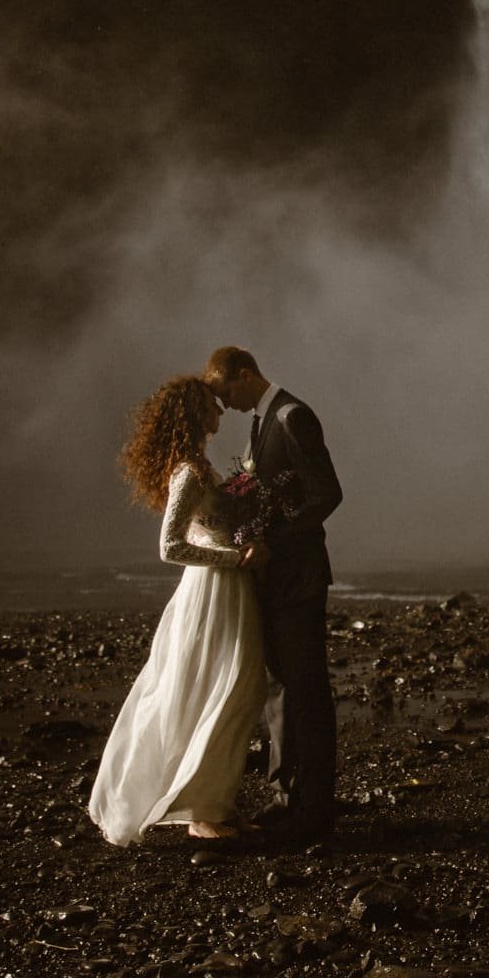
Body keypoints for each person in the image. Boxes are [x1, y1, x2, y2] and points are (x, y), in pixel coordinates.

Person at [87, 375, 271, 846]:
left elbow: (202, 530)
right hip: (210, 591)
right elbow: (170, 547)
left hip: (228, 588)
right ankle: (200, 811)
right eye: (212, 405)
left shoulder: (200, 466)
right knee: (219, 689)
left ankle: (213, 802)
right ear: (195, 415)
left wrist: (241, 538)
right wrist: (232, 556)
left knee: (235, 689)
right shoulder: (188, 472)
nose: (220, 411)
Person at [203, 345, 343, 845]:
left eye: (225, 393)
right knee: (281, 687)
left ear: (245, 375)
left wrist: (271, 541)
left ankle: (315, 810)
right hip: (276, 577)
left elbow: (327, 493)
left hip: (299, 575)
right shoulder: (266, 420)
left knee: (306, 690)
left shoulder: (292, 415)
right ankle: (287, 797)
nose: (224, 406)